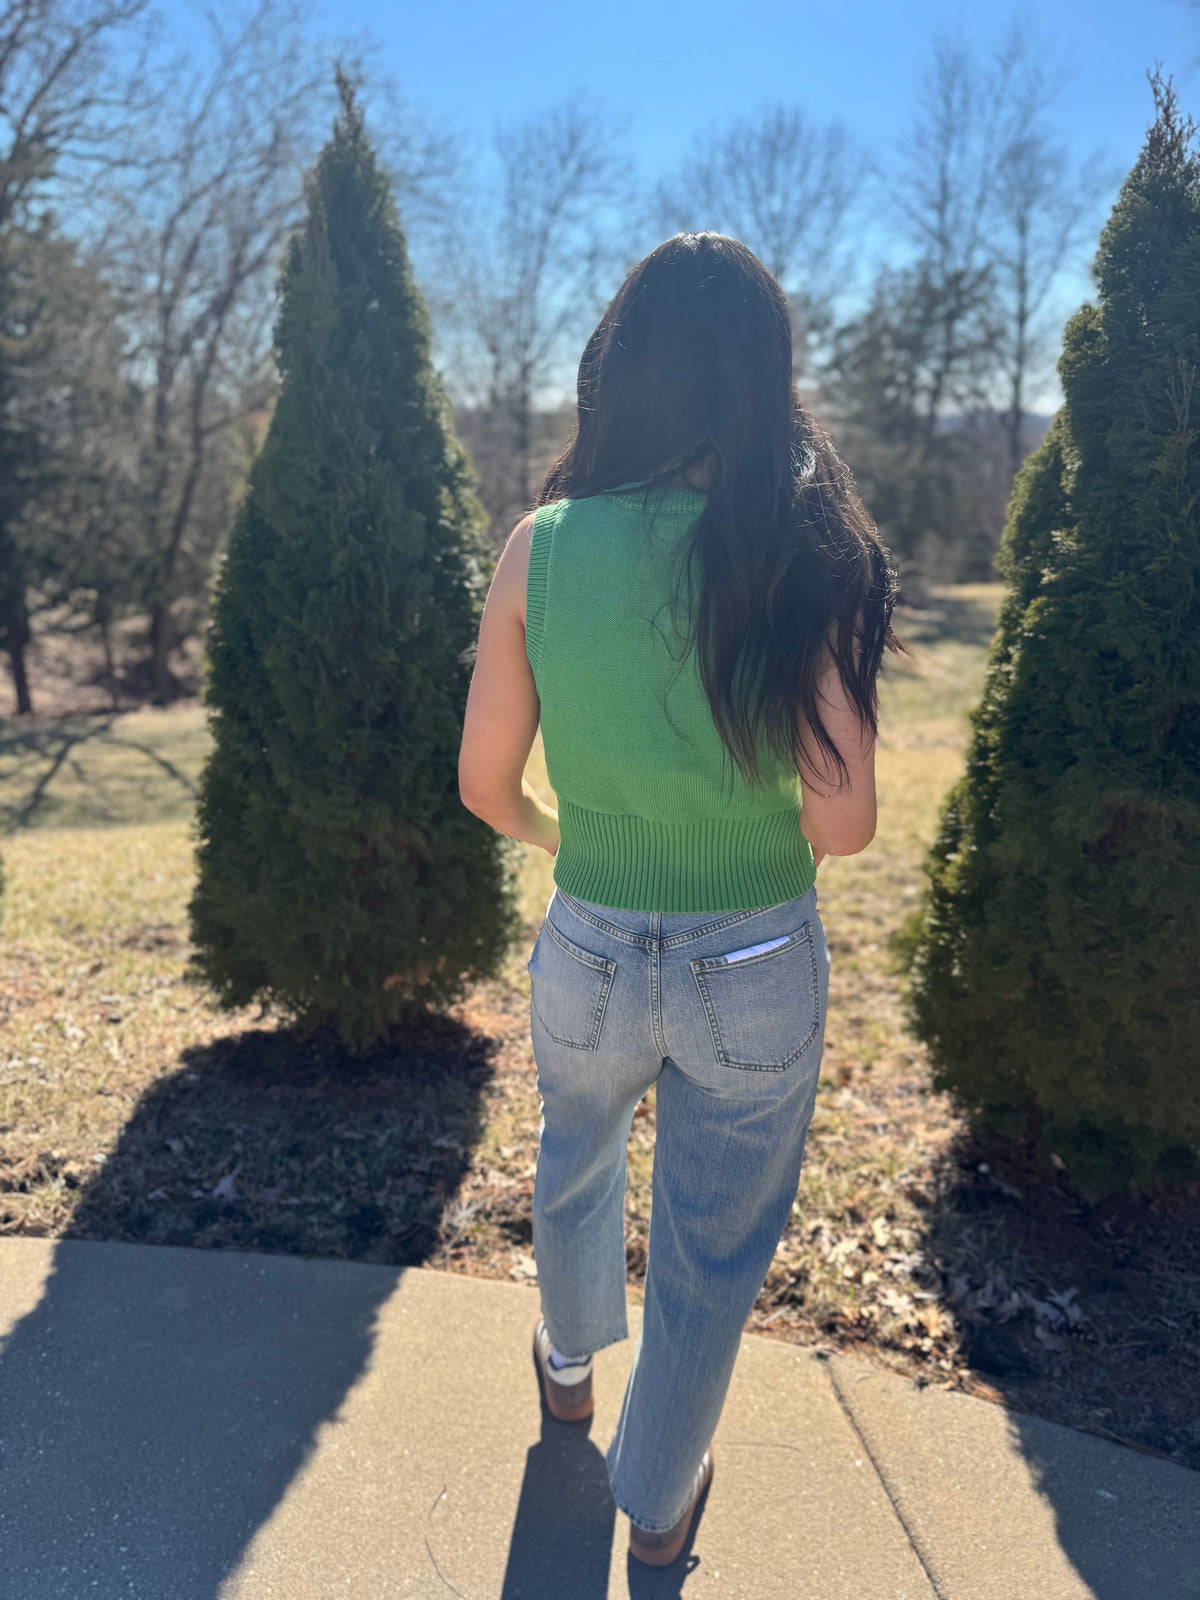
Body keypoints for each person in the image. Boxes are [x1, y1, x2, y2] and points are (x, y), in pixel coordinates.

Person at [457, 231, 898, 1568]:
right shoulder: (793, 551)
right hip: (755, 955)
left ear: (619, 372)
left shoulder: (542, 547)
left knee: (576, 1152)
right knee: (711, 1252)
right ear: (766, 378)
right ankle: (657, 1509)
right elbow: (846, 819)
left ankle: (566, 1360)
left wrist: (579, 839)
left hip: (587, 942)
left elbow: (485, 785)